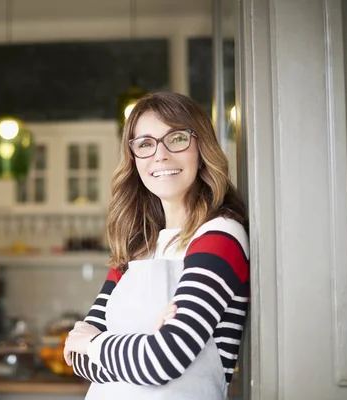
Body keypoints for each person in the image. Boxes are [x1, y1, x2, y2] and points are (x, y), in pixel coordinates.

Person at [63, 91, 250, 400]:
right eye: (146, 144)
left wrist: (97, 344)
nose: (160, 155)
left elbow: (163, 360)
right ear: (134, 159)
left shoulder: (221, 236)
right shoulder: (136, 248)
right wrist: (145, 342)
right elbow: (79, 360)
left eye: (176, 138)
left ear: (201, 147)